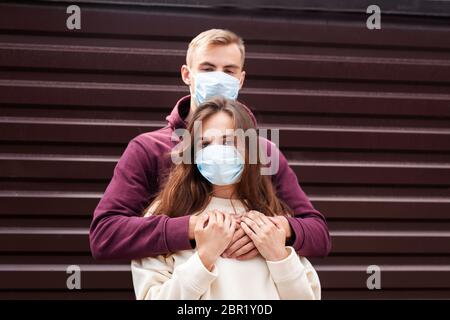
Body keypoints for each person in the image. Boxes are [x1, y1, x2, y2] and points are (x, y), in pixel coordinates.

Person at [89, 28, 331, 261]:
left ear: (241, 79)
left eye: (229, 70)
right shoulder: (149, 148)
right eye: (207, 68)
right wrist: (193, 228)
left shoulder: (263, 151)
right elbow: (105, 235)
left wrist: (274, 230)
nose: (219, 77)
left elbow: (318, 234)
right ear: (187, 74)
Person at [132, 97, 321, 299]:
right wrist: (204, 258)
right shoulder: (165, 213)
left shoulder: (272, 216)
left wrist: (279, 257)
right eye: (204, 144)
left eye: (228, 141)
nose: (217, 151)